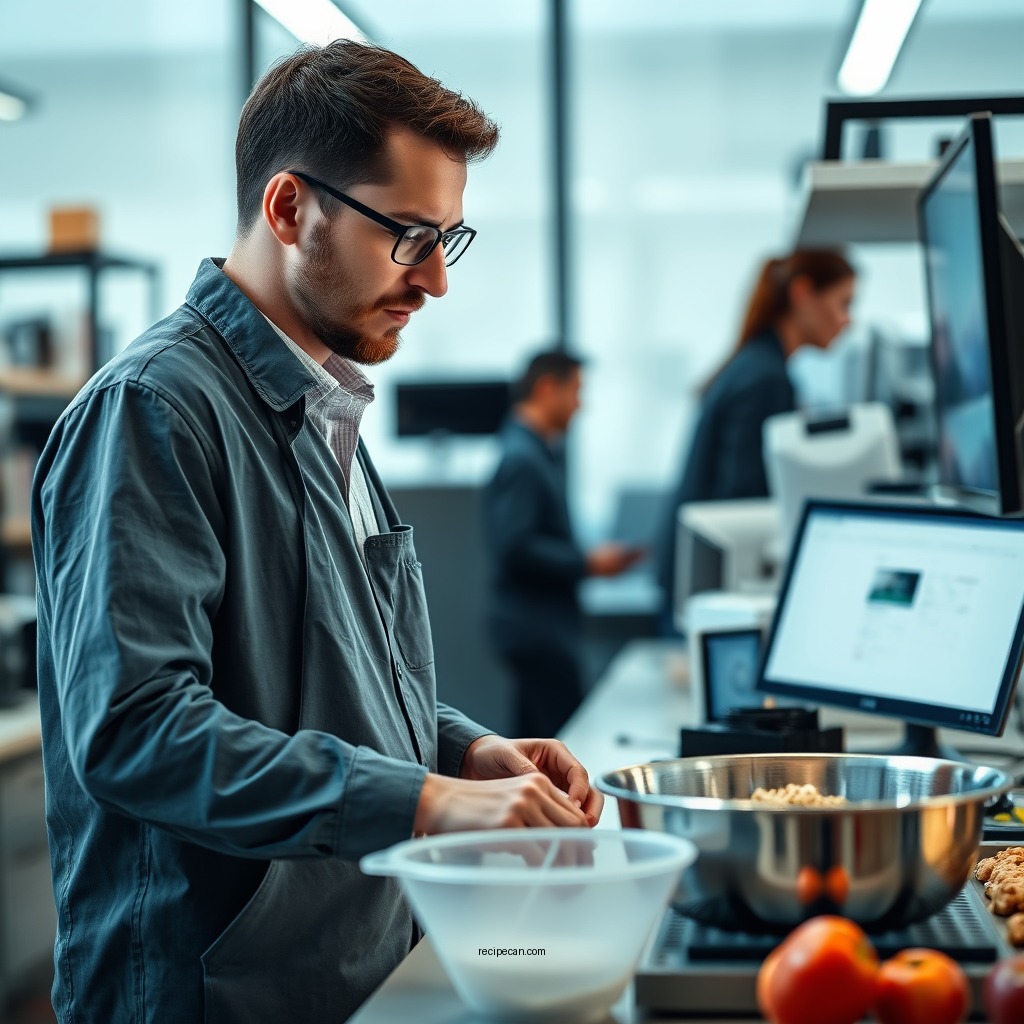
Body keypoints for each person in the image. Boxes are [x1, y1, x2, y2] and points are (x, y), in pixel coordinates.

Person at [31, 42, 605, 1024]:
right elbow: (135, 732)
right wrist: (424, 803)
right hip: (209, 992)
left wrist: (460, 751)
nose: (434, 283)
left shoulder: (324, 400)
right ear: (291, 208)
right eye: (408, 236)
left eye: (447, 242)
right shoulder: (154, 409)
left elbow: (333, 676)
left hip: (346, 966)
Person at [655, 248, 857, 632]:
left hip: (692, 582)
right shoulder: (766, 378)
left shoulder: (754, 364)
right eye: (842, 304)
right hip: (708, 594)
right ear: (802, 294)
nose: (848, 321)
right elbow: (743, 497)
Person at [483, 350, 642, 738]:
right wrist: (587, 563)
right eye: (576, 391)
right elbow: (515, 548)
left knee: (534, 744)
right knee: (561, 743)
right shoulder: (523, 458)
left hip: (535, 626)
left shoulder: (531, 451)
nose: (580, 405)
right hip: (538, 629)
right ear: (546, 388)